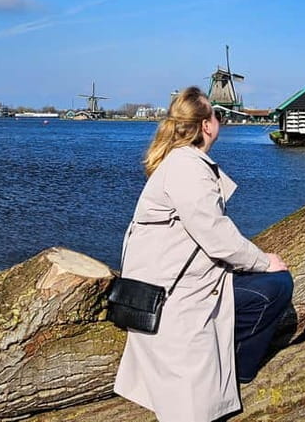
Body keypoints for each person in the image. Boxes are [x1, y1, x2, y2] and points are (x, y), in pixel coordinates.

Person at [114, 86, 293, 422]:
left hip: (160, 287)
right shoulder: (188, 167)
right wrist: (264, 261)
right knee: (278, 285)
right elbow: (217, 236)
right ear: (206, 126)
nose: (218, 120)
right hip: (172, 300)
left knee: (257, 282)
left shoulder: (177, 162)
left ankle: (229, 358)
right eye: (216, 114)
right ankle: (238, 368)